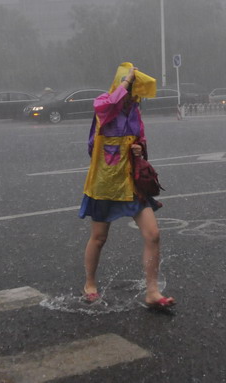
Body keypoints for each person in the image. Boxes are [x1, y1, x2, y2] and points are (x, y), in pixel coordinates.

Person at [78, 63, 176, 309]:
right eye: (132, 90)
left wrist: (139, 149)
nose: (134, 97)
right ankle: (90, 284)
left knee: (153, 235)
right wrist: (126, 80)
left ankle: (152, 292)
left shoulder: (134, 112)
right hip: (105, 183)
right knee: (99, 238)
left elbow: (142, 141)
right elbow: (107, 106)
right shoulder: (105, 102)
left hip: (131, 183)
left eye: (136, 92)